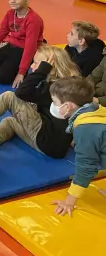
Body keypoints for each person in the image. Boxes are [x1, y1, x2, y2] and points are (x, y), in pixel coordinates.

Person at [0, 45, 80, 158]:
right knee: (9, 121)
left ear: (50, 67)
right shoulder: (68, 83)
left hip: (45, 139)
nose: (32, 66)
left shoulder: (54, 89)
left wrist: (42, 70)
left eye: (36, 63)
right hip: (53, 148)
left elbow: (21, 92)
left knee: (8, 97)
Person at [48, 77, 106, 216]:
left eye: (55, 102)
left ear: (68, 106)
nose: (53, 105)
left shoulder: (86, 128)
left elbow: (85, 167)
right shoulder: (96, 110)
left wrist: (69, 201)